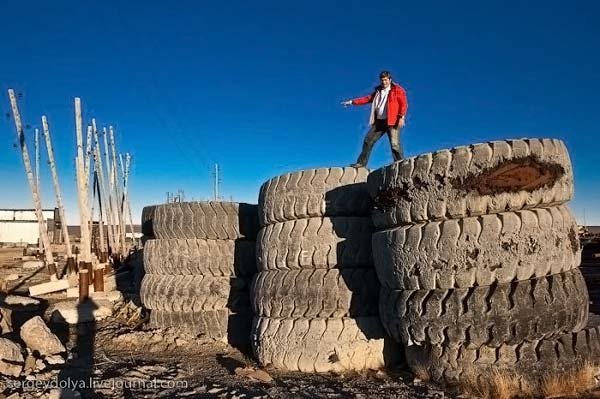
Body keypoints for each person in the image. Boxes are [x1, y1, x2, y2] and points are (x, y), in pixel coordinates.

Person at [342, 71, 408, 167]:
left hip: (392, 121)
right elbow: (366, 99)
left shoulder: (397, 90)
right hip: (380, 122)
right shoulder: (378, 92)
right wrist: (351, 102)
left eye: (386, 80)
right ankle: (361, 163)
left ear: (390, 80)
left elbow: (404, 104)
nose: (384, 82)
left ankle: (400, 165)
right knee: (368, 140)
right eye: (382, 80)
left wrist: (402, 117)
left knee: (395, 144)